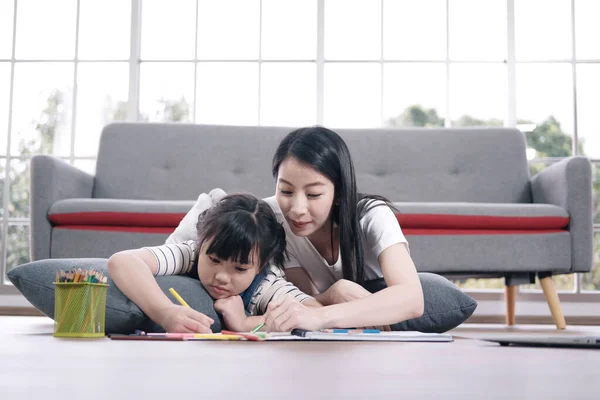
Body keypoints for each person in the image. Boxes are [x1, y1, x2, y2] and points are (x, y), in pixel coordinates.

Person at [262, 126, 424, 331]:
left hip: (375, 294)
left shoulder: (372, 215)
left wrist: (323, 315)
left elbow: (412, 299)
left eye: (313, 194)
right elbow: (305, 298)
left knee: (434, 292)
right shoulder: (273, 218)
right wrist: (333, 294)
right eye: (285, 191)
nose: (297, 210)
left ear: (339, 193)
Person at [107, 193, 319, 333]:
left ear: (260, 266)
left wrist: (245, 323)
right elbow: (123, 261)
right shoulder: (190, 253)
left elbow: (312, 311)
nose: (221, 277)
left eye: (240, 268)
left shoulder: (264, 284)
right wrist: (164, 312)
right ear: (202, 244)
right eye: (214, 260)